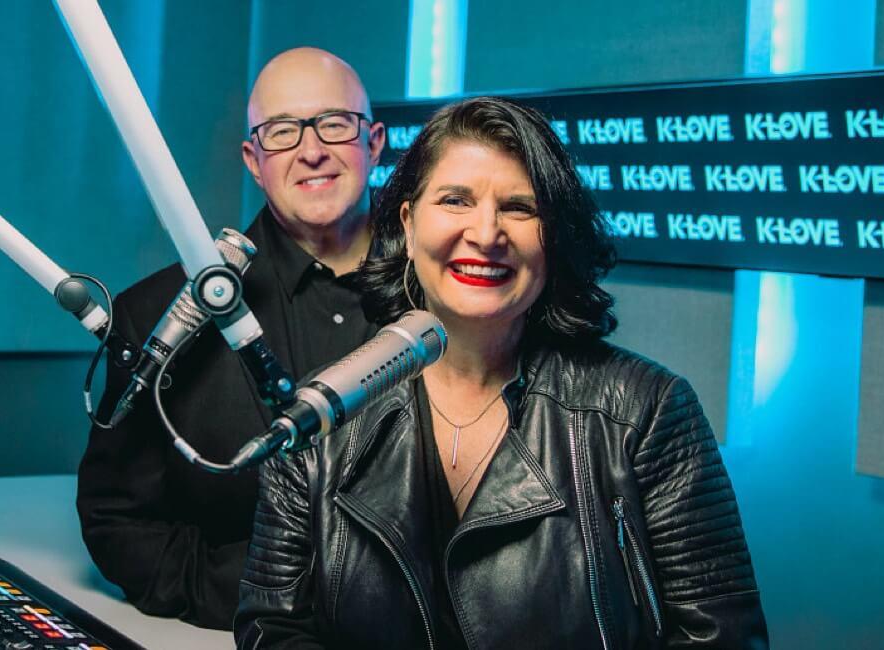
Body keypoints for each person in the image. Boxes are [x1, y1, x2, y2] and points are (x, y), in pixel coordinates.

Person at [235, 96, 769, 648]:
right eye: (456, 200)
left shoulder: (647, 409)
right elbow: (271, 628)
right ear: (409, 223)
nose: (486, 233)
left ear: (554, 237)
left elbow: (721, 637)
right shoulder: (324, 412)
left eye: (519, 207)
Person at [76, 47, 386, 630]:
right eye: (283, 132)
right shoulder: (152, 315)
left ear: (373, 143)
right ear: (253, 159)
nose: (312, 150)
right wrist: (263, 601)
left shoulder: (451, 299)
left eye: (335, 124)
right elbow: (116, 520)